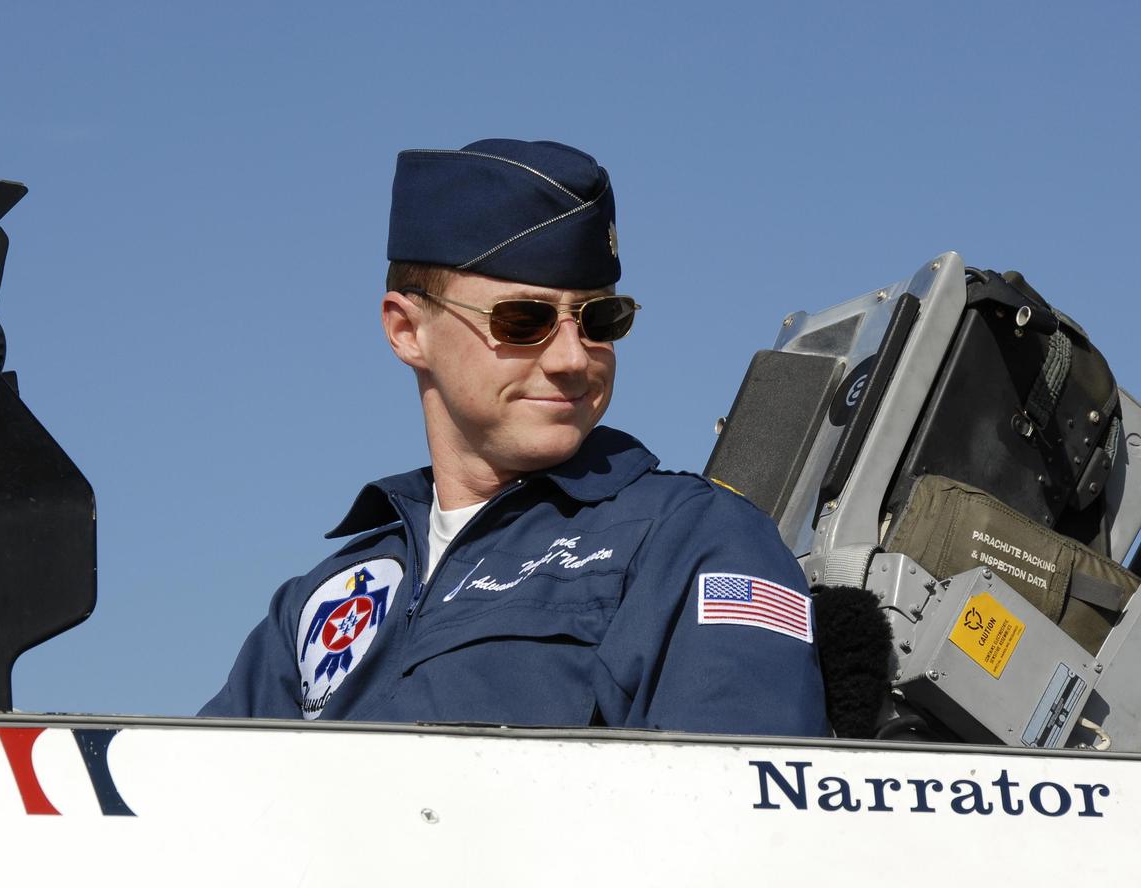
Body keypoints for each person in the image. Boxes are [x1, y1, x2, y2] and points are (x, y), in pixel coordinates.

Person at [201, 139, 828, 735]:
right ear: (407, 331)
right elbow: (198, 792)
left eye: (599, 320)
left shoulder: (696, 541)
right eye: (523, 321)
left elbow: (736, 794)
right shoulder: (320, 598)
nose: (573, 359)